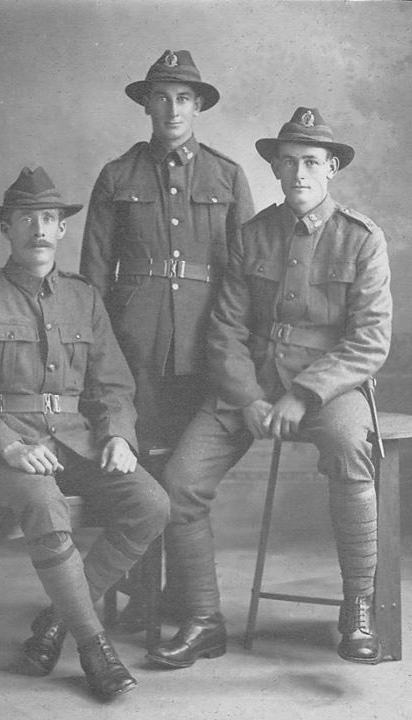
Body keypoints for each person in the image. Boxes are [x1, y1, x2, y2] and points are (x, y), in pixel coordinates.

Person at [146, 107, 392, 669]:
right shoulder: (252, 236)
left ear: (331, 168)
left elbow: (370, 340)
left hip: (331, 386)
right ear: (275, 172)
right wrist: (251, 397)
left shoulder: (360, 239)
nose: (299, 174)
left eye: (311, 162)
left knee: (352, 452)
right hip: (250, 384)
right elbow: (225, 331)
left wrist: (302, 394)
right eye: (287, 163)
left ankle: (358, 608)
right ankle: (204, 620)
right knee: (181, 481)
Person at [0, 167, 169, 698]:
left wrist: (118, 437)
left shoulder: (84, 297)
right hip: (4, 449)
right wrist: (8, 445)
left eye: (49, 218)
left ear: (62, 229)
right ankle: (93, 647)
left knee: (152, 504)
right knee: (45, 503)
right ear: (6, 230)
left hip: (77, 439)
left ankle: (57, 622)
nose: (38, 228)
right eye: (25, 218)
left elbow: (113, 385)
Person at [75, 49, 253, 631]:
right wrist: (96, 353)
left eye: (183, 98)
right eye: (161, 97)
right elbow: (95, 277)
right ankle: (140, 593)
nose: (172, 108)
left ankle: (184, 596)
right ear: (146, 104)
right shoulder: (117, 174)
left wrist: (237, 348)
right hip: (136, 341)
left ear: (198, 106)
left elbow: (245, 275)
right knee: (141, 468)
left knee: (187, 467)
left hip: (208, 342)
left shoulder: (226, 175)